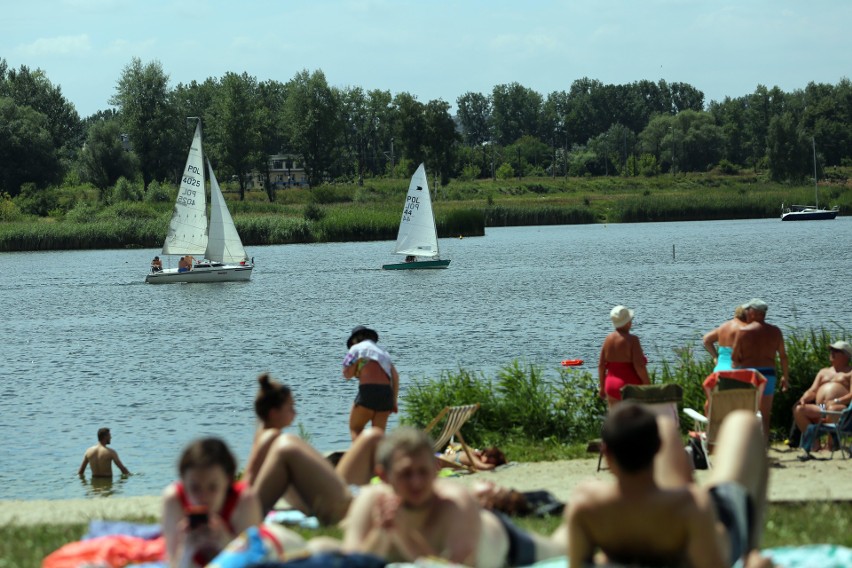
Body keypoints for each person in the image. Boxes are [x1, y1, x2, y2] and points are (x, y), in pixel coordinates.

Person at [566, 402, 772, 568]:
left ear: (606, 454)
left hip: (667, 512)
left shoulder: (586, 505)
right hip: (717, 536)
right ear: (657, 449)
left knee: (663, 424)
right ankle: (751, 548)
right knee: (744, 422)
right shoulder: (691, 505)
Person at [342, 427, 566, 567]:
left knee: (564, 548)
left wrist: (402, 536)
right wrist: (381, 534)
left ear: (436, 468)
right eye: (406, 474)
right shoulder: (372, 502)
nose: (416, 482)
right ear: (383, 475)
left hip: (508, 544)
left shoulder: (453, 502)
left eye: (423, 472)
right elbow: (350, 562)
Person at [246, 372, 383, 525]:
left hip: (342, 495)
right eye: (290, 407)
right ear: (273, 413)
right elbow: (249, 481)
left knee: (372, 436)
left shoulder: (268, 439)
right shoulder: (271, 438)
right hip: (340, 506)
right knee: (373, 436)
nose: (295, 412)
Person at [162, 437, 275, 567]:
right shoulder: (174, 499)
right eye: (194, 488)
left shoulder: (244, 500)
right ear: (183, 481)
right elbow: (173, 564)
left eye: (212, 487)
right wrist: (187, 549)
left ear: (227, 480)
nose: (203, 497)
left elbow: (253, 563)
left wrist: (225, 541)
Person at [731, 298, 789, 440]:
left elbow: (734, 357)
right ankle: (764, 446)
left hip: (749, 374)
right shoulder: (775, 331)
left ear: (754, 313)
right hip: (768, 374)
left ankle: (747, 444)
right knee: (765, 414)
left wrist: (741, 361)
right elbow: (783, 356)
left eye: (747, 310)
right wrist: (785, 377)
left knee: (747, 412)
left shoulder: (743, 332)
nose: (746, 313)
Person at [342, 325, 400, 440]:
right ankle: (376, 457)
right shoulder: (384, 353)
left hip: (368, 391)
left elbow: (347, 374)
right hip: (386, 395)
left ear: (355, 340)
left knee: (356, 428)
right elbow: (395, 377)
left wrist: (357, 363)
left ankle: (360, 456)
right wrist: (393, 402)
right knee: (379, 435)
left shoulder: (355, 349)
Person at [792, 340, 852, 450]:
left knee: (833, 408)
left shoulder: (850, 372)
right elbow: (813, 390)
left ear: (846, 355)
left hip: (840, 406)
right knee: (799, 409)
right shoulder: (823, 372)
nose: (832, 353)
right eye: (831, 350)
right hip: (822, 407)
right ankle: (815, 443)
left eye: (836, 351)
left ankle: (831, 443)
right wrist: (805, 397)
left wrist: (836, 401)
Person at [598, 305, 650, 407]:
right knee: (633, 421)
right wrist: (647, 385)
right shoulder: (633, 340)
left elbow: (601, 366)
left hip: (611, 385)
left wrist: (602, 387)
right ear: (627, 323)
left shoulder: (608, 339)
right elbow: (639, 366)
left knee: (616, 421)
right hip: (629, 386)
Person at [703, 304, 748, 371]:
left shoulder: (724, 327)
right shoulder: (747, 328)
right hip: (738, 371)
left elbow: (706, 340)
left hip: (719, 370)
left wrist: (715, 357)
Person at [439, 445, 507, 471]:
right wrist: (493, 466)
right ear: (485, 454)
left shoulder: (472, 454)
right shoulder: (470, 456)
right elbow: (483, 467)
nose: (487, 463)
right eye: (488, 461)